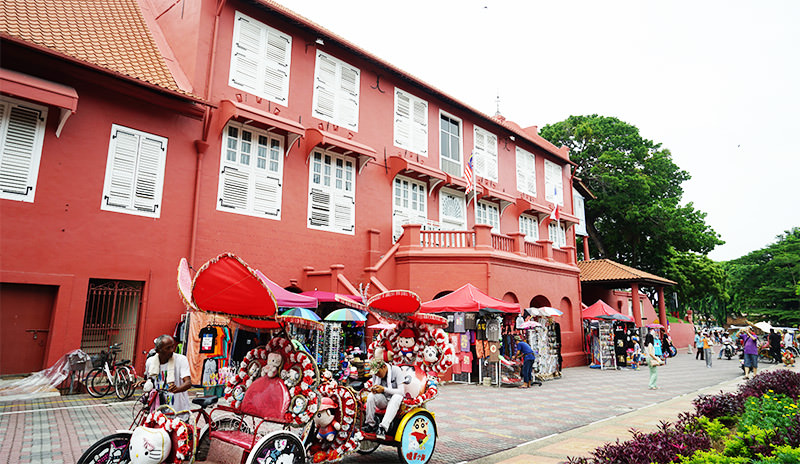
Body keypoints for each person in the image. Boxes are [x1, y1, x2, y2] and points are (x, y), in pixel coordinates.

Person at [144, 334, 192, 419]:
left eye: (172, 347)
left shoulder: (181, 360)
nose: (171, 350)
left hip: (178, 411)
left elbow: (188, 382)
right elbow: (151, 380)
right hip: (158, 410)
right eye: (168, 348)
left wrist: (177, 389)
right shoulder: (150, 362)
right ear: (158, 350)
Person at [364, 358, 405, 440]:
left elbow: (401, 392)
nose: (377, 375)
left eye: (378, 372)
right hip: (384, 400)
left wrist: (384, 389)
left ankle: (383, 427)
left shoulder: (396, 371)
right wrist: (374, 390)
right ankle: (370, 424)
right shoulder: (376, 375)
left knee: (397, 397)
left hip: (395, 400)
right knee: (371, 396)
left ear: (384, 367)